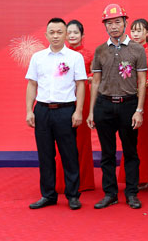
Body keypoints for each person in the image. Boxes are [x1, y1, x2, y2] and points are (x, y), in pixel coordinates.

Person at [87, 4, 147, 209]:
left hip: (128, 105)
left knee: (130, 152)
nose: (113, 26)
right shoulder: (100, 50)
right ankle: (110, 193)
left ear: (125, 23)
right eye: (109, 23)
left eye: (117, 22)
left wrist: (139, 110)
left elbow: (142, 81)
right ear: (105, 26)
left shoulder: (137, 49)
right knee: (107, 153)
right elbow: (95, 82)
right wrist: (91, 111)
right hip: (104, 105)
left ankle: (131, 193)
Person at [25, 18, 87, 210]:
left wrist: (78, 111)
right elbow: (32, 84)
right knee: (45, 155)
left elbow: (81, 84)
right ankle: (48, 195)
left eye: (60, 32)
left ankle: (72, 195)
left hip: (66, 110)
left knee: (69, 154)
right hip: (42, 110)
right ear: (46, 35)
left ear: (66, 34)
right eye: (52, 32)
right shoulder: (38, 57)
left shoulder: (74, 57)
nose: (55, 36)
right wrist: (29, 110)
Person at [118, 19, 148, 190]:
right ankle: (131, 175)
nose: (135, 34)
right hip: (128, 98)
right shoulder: (124, 51)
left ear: (147, 33)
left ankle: (145, 176)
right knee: (128, 137)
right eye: (133, 31)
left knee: (144, 138)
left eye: (139, 31)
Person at [55, 20, 94, 194]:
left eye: (75, 32)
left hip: (83, 99)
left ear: (82, 35)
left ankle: (83, 181)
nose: (72, 36)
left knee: (81, 140)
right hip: (64, 97)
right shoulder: (60, 55)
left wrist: (89, 77)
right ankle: (63, 181)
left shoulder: (89, 55)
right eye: (69, 32)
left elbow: (95, 74)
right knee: (63, 138)